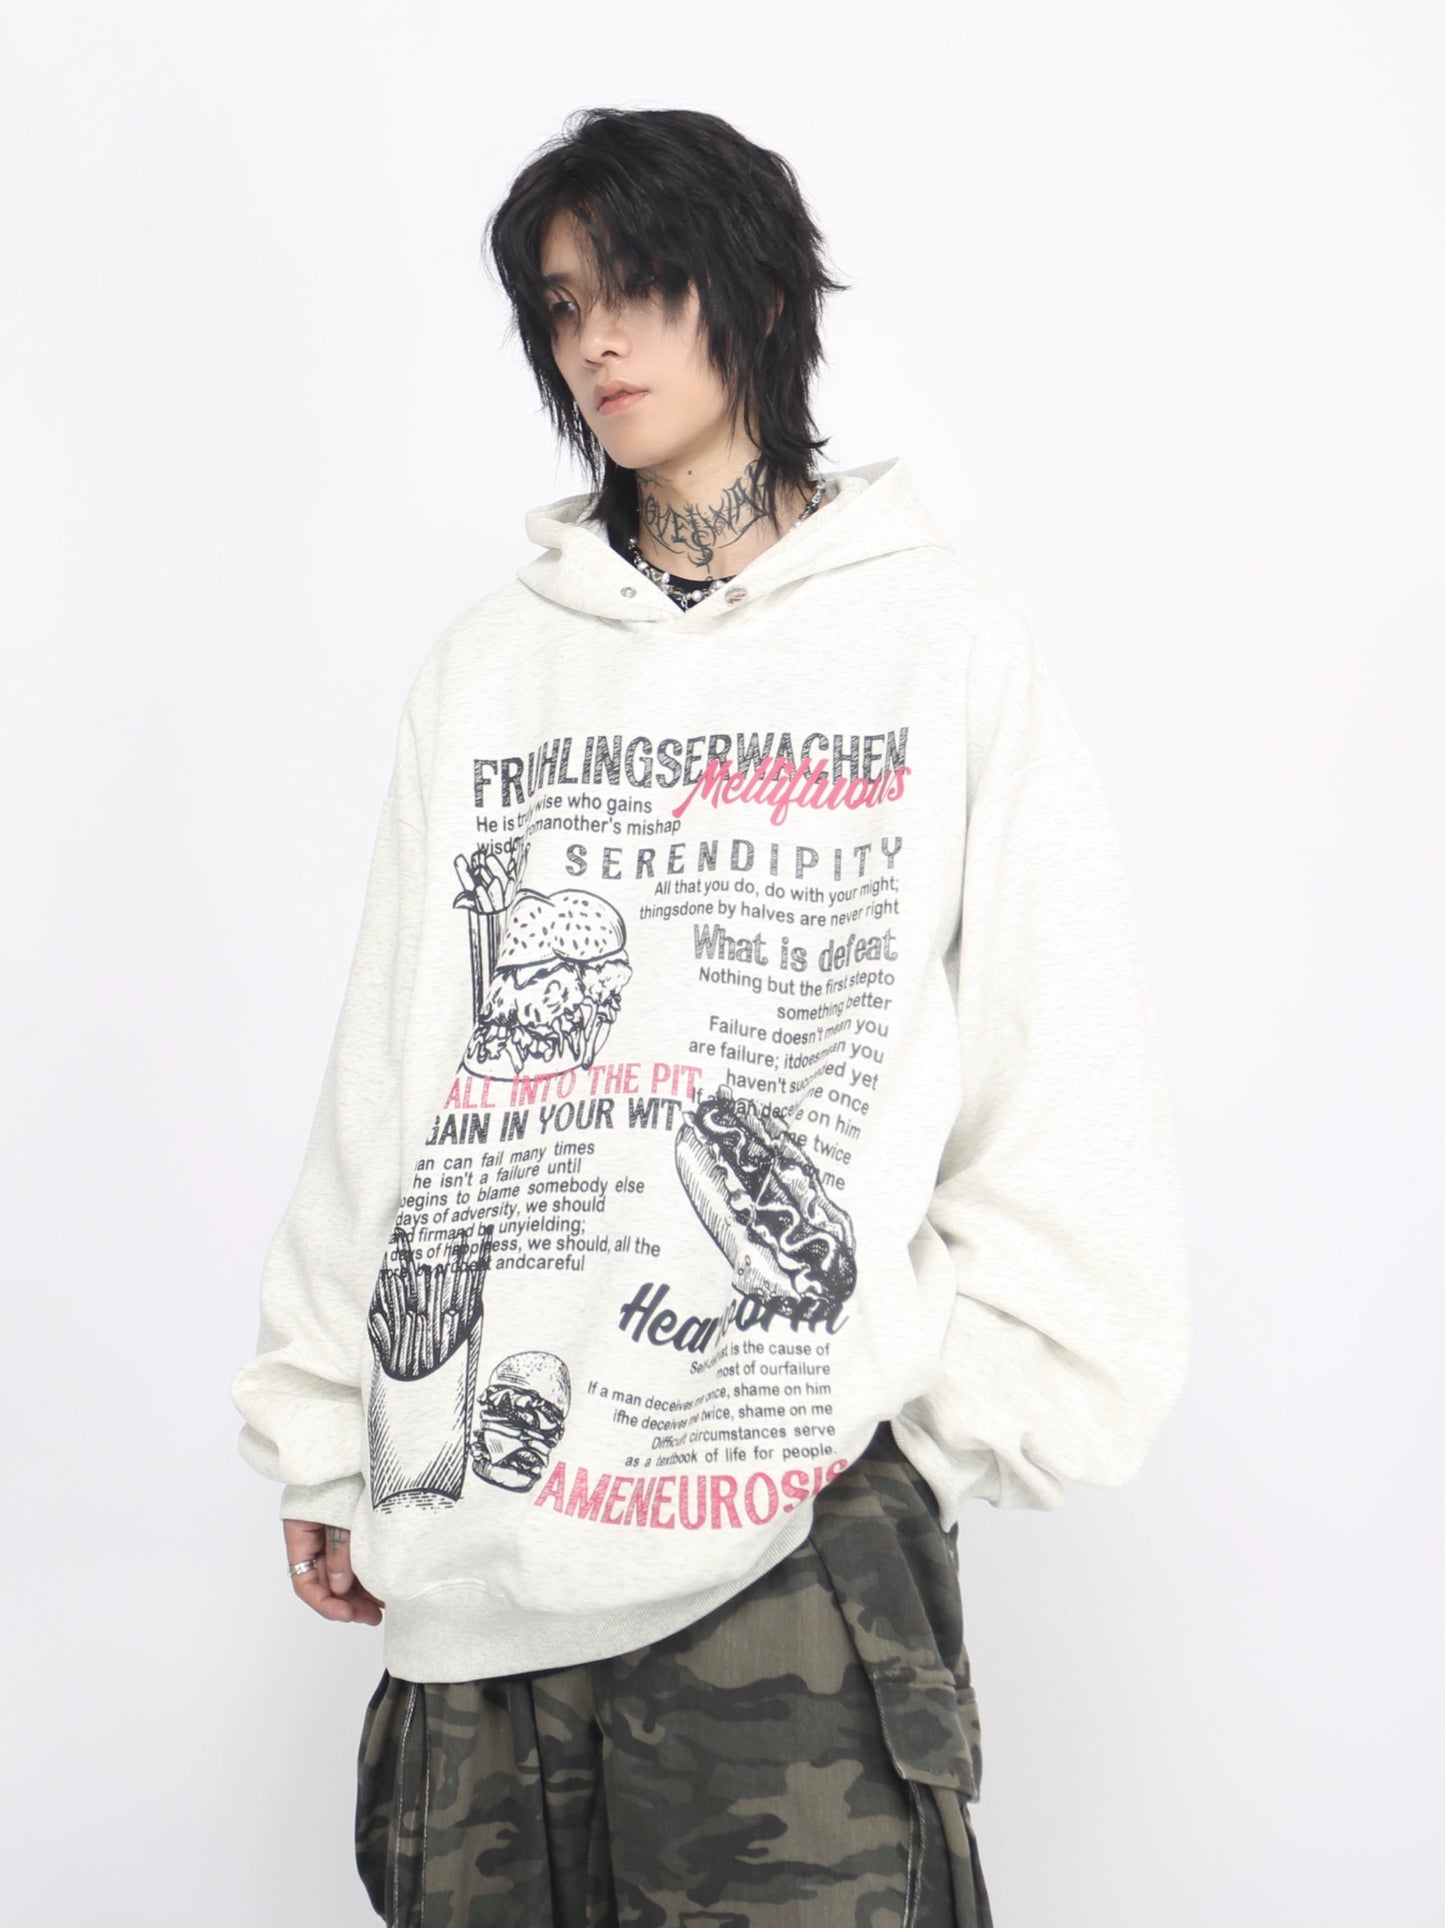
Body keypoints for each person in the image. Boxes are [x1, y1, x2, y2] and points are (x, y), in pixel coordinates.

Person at [231, 106, 1191, 1926]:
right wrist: (329, 1417)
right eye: (557, 305)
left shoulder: (938, 646)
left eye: (636, 290)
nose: (593, 342)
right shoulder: (492, 669)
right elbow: (399, 1068)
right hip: (485, 1557)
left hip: (791, 1560)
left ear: (750, 300)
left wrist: (900, 1418)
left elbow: (1060, 1071)